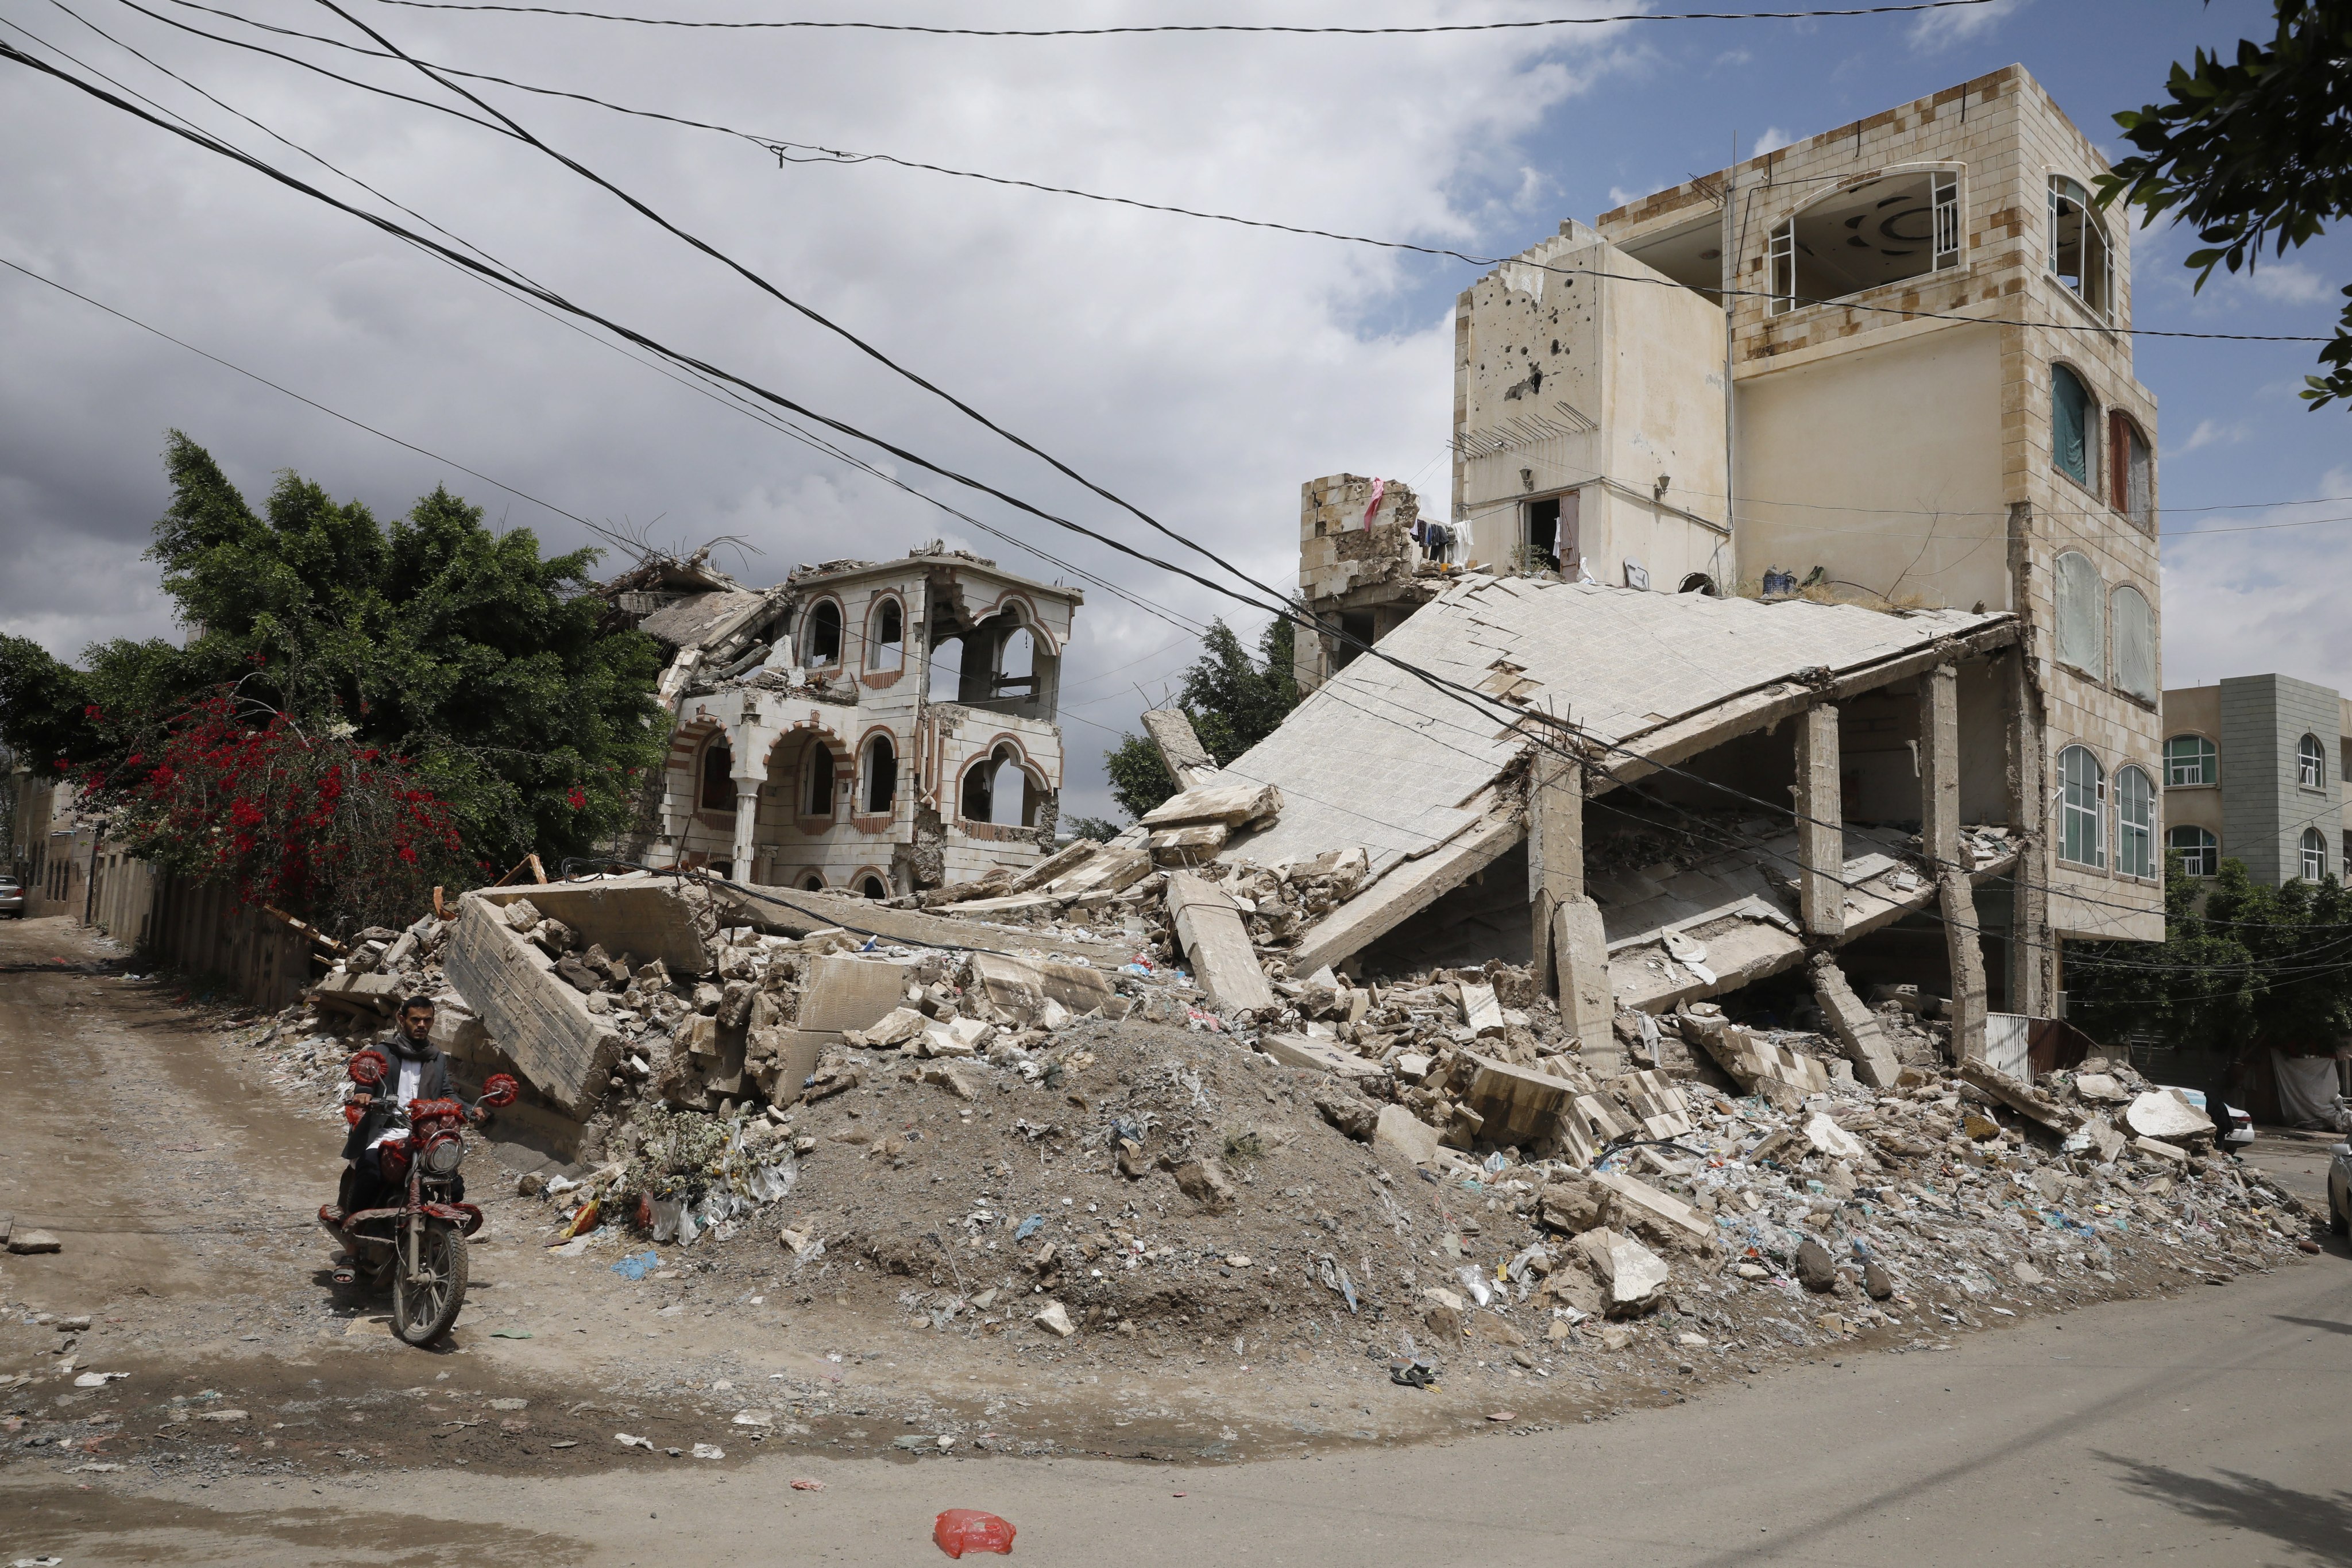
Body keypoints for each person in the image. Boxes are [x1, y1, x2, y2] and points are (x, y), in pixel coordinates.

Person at [334, 995, 461, 1229]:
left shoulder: (437, 1058)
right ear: (402, 1020)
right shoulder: (381, 1052)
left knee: (454, 1182)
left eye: (427, 1020)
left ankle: (440, 1236)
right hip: (384, 1129)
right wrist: (364, 1093)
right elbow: (367, 1079)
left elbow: (446, 1092)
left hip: (423, 1133)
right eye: (415, 1020)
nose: (421, 1025)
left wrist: (470, 1109)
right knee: (370, 1171)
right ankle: (352, 1243)